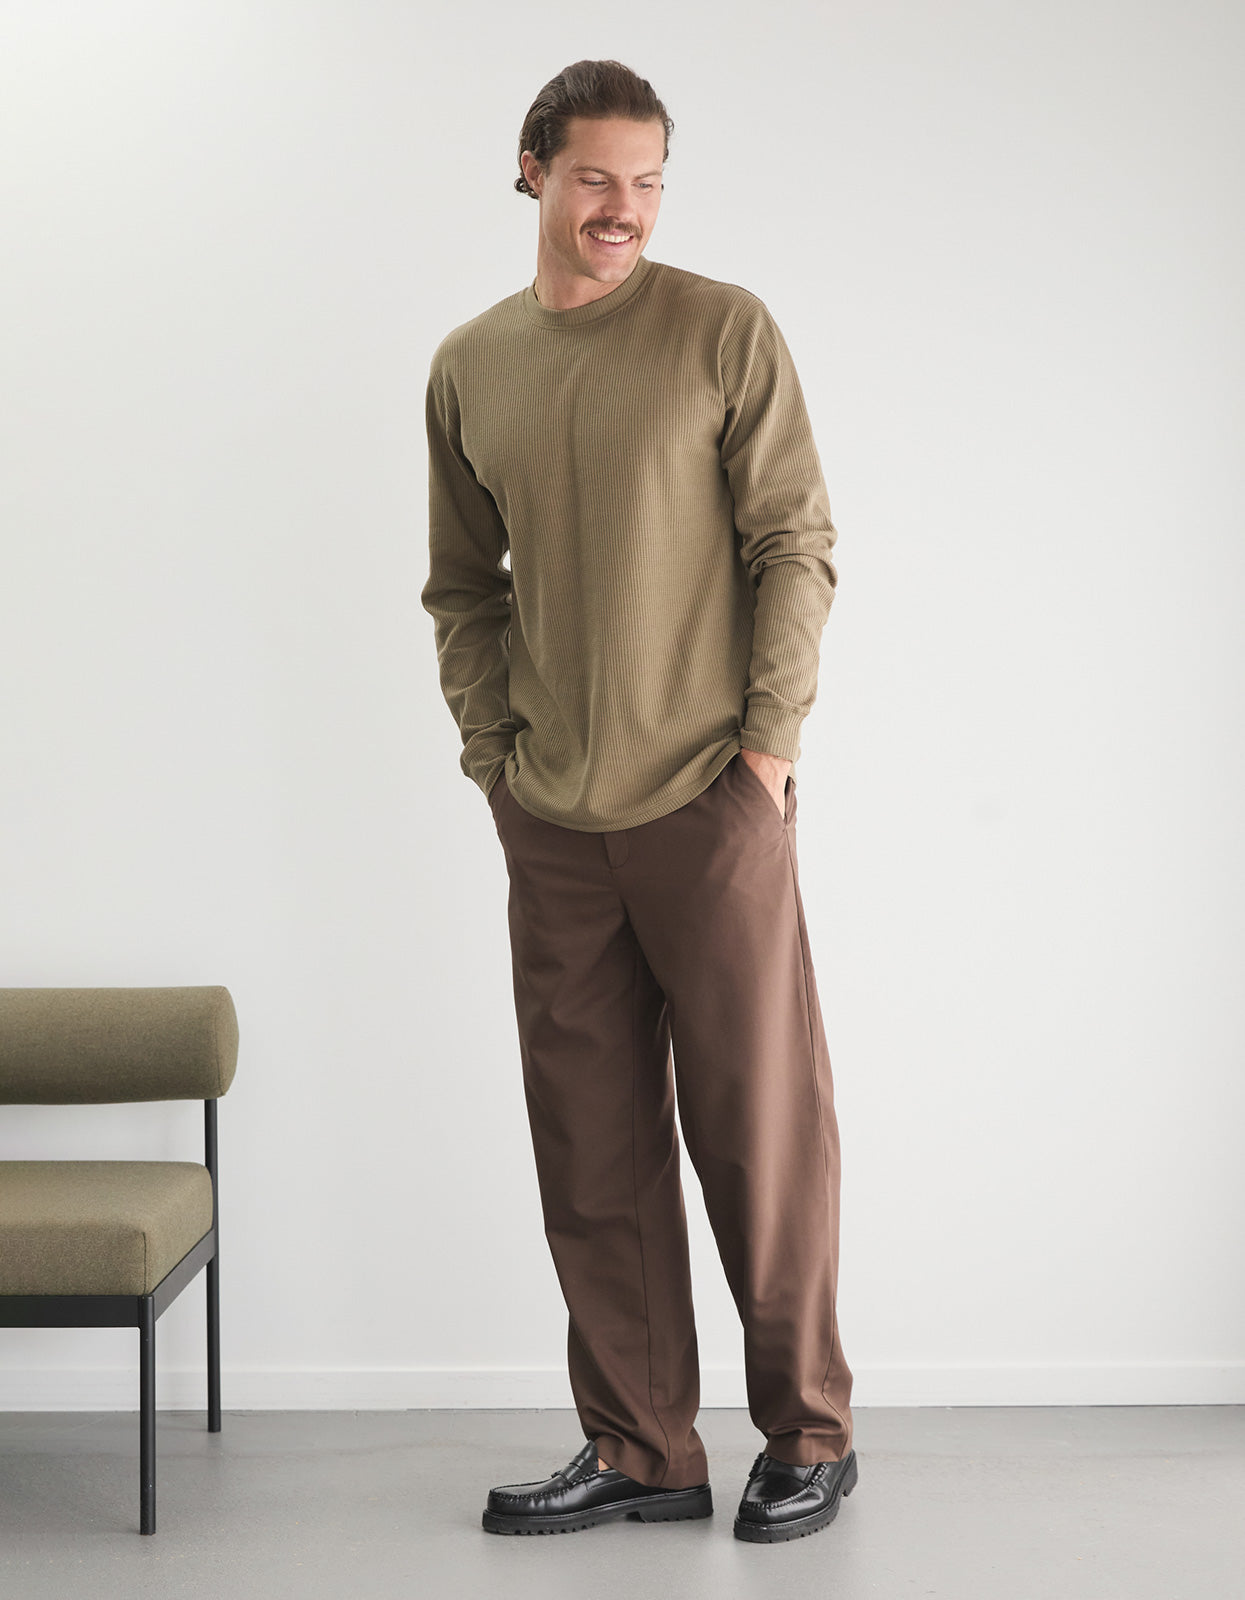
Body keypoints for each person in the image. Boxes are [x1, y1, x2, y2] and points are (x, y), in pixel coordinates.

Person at [421, 58, 858, 1545]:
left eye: (649, 180)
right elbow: (460, 588)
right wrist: (494, 758)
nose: (625, 208)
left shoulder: (722, 330)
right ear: (531, 170)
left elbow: (795, 542)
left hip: (710, 801)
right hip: (553, 817)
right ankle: (642, 1445)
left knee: (758, 1131)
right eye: (597, 177)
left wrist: (767, 753)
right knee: (589, 1146)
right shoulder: (472, 363)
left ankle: (808, 1433)